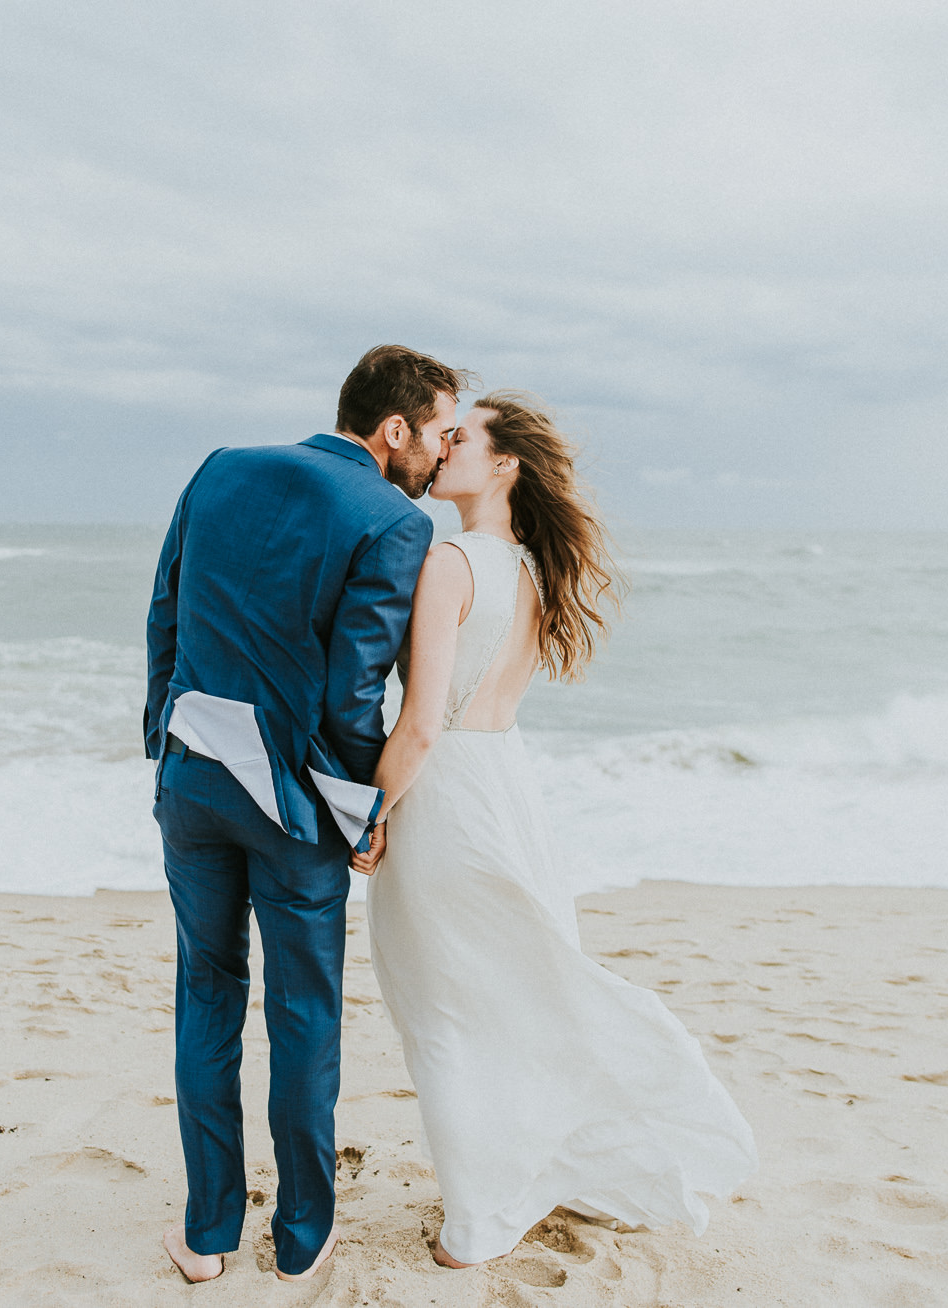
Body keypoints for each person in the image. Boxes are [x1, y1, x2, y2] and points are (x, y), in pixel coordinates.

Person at [355, 391, 758, 1268]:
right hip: (507, 789)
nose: (442, 446)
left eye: (460, 439)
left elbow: (421, 722)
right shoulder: (532, 570)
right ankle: (523, 1176)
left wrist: (371, 815)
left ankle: (475, 1226)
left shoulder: (452, 560)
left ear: (503, 465)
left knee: (447, 1010)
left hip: (446, 799)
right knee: (514, 995)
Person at [143, 344, 472, 1283]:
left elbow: (164, 611)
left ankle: (207, 1236)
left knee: (206, 993)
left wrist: (164, 740)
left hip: (192, 783)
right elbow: (348, 693)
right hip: (294, 808)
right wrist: (362, 809)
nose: (441, 455)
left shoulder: (219, 469)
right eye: (439, 432)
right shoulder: (390, 520)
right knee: (303, 1014)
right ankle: (298, 1237)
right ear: (393, 427)